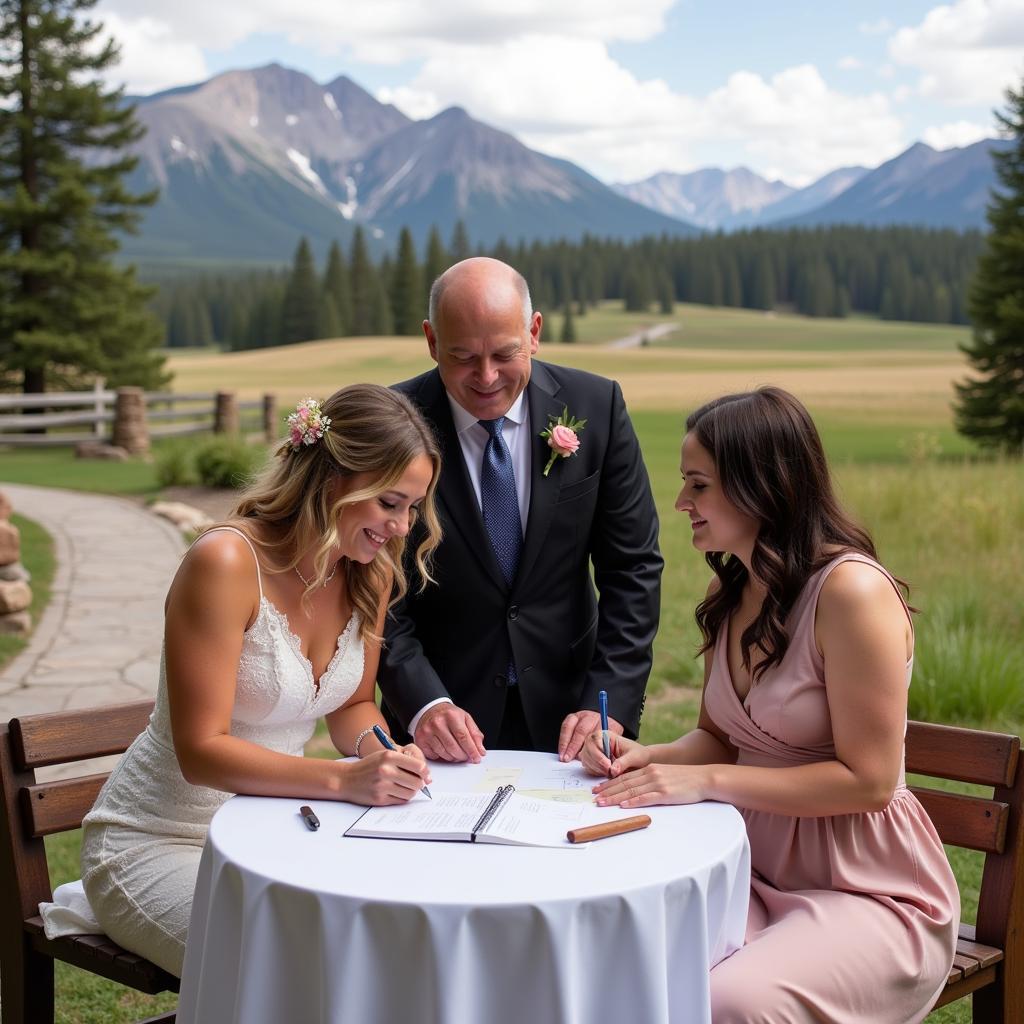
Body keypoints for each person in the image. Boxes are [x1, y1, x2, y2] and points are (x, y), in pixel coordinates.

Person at [581, 386, 959, 1023]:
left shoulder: (852, 593)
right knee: (624, 959)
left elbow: (868, 782)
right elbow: (722, 738)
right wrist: (644, 756)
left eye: (698, 486)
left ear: (761, 485)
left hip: (869, 888)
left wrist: (705, 780)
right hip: (749, 870)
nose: (681, 503)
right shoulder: (734, 589)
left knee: (731, 1002)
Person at [80, 384, 441, 976]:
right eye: (390, 504)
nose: (402, 528)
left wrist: (386, 754)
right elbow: (201, 752)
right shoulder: (225, 563)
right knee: (291, 963)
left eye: (412, 508)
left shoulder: (366, 572)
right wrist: (345, 780)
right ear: (334, 481)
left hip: (278, 835)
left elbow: (351, 704)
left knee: (384, 935)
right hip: (158, 843)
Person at [379, 257, 663, 761]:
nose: (485, 377)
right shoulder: (393, 423)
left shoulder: (599, 406)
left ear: (533, 332)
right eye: (462, 357)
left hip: (574, 720)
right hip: (440, 723)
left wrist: (609, 704)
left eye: (503, 354)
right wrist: (422, 704)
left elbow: (633, 568)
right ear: (430, 341)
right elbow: (374, 589)